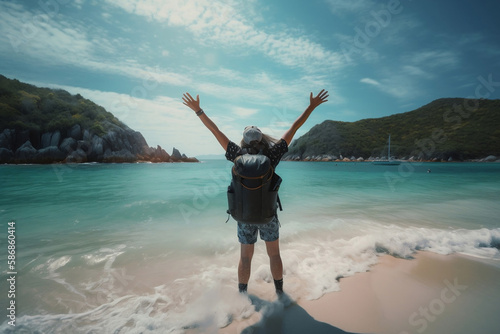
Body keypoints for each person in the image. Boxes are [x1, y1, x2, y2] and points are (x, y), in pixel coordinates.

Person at [182, 89, 329, 295]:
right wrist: (311, 106)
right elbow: (294, 126)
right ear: (262, 139)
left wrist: (198, 111)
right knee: (274, 255)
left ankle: (242, 296)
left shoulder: (236, 154)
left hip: (244, 215)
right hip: (268, 214)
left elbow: (215, 131)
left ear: (243, 140)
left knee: (245, 257)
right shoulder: (272, 154)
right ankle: (280, 295)